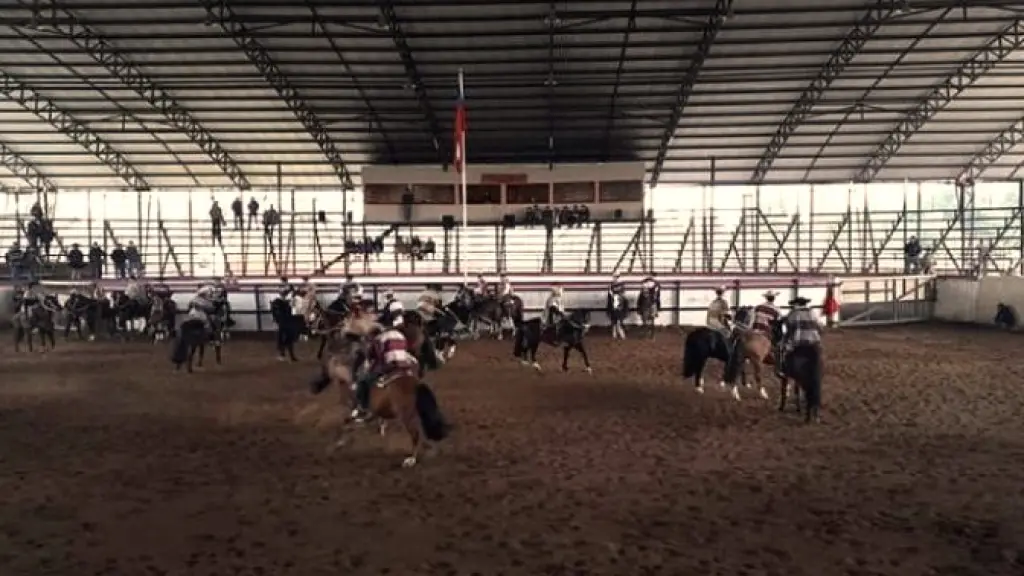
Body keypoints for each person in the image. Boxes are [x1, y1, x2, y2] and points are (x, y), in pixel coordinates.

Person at [351, 323, 417, 421]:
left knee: (363, 381)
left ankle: (364, 409)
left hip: (390, 365)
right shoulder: (399, 334)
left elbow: (374, 357)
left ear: (373, 334)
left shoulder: (377, 340)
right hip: (406, 364)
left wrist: (370, 369)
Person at [777, 296, 822, 378]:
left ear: (797, 304)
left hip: (798, 342)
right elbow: (820, 327)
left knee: (781, 349)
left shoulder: (793, 313)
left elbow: (788, 328)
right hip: (814, 342)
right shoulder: (813, 313)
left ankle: (783, 370)